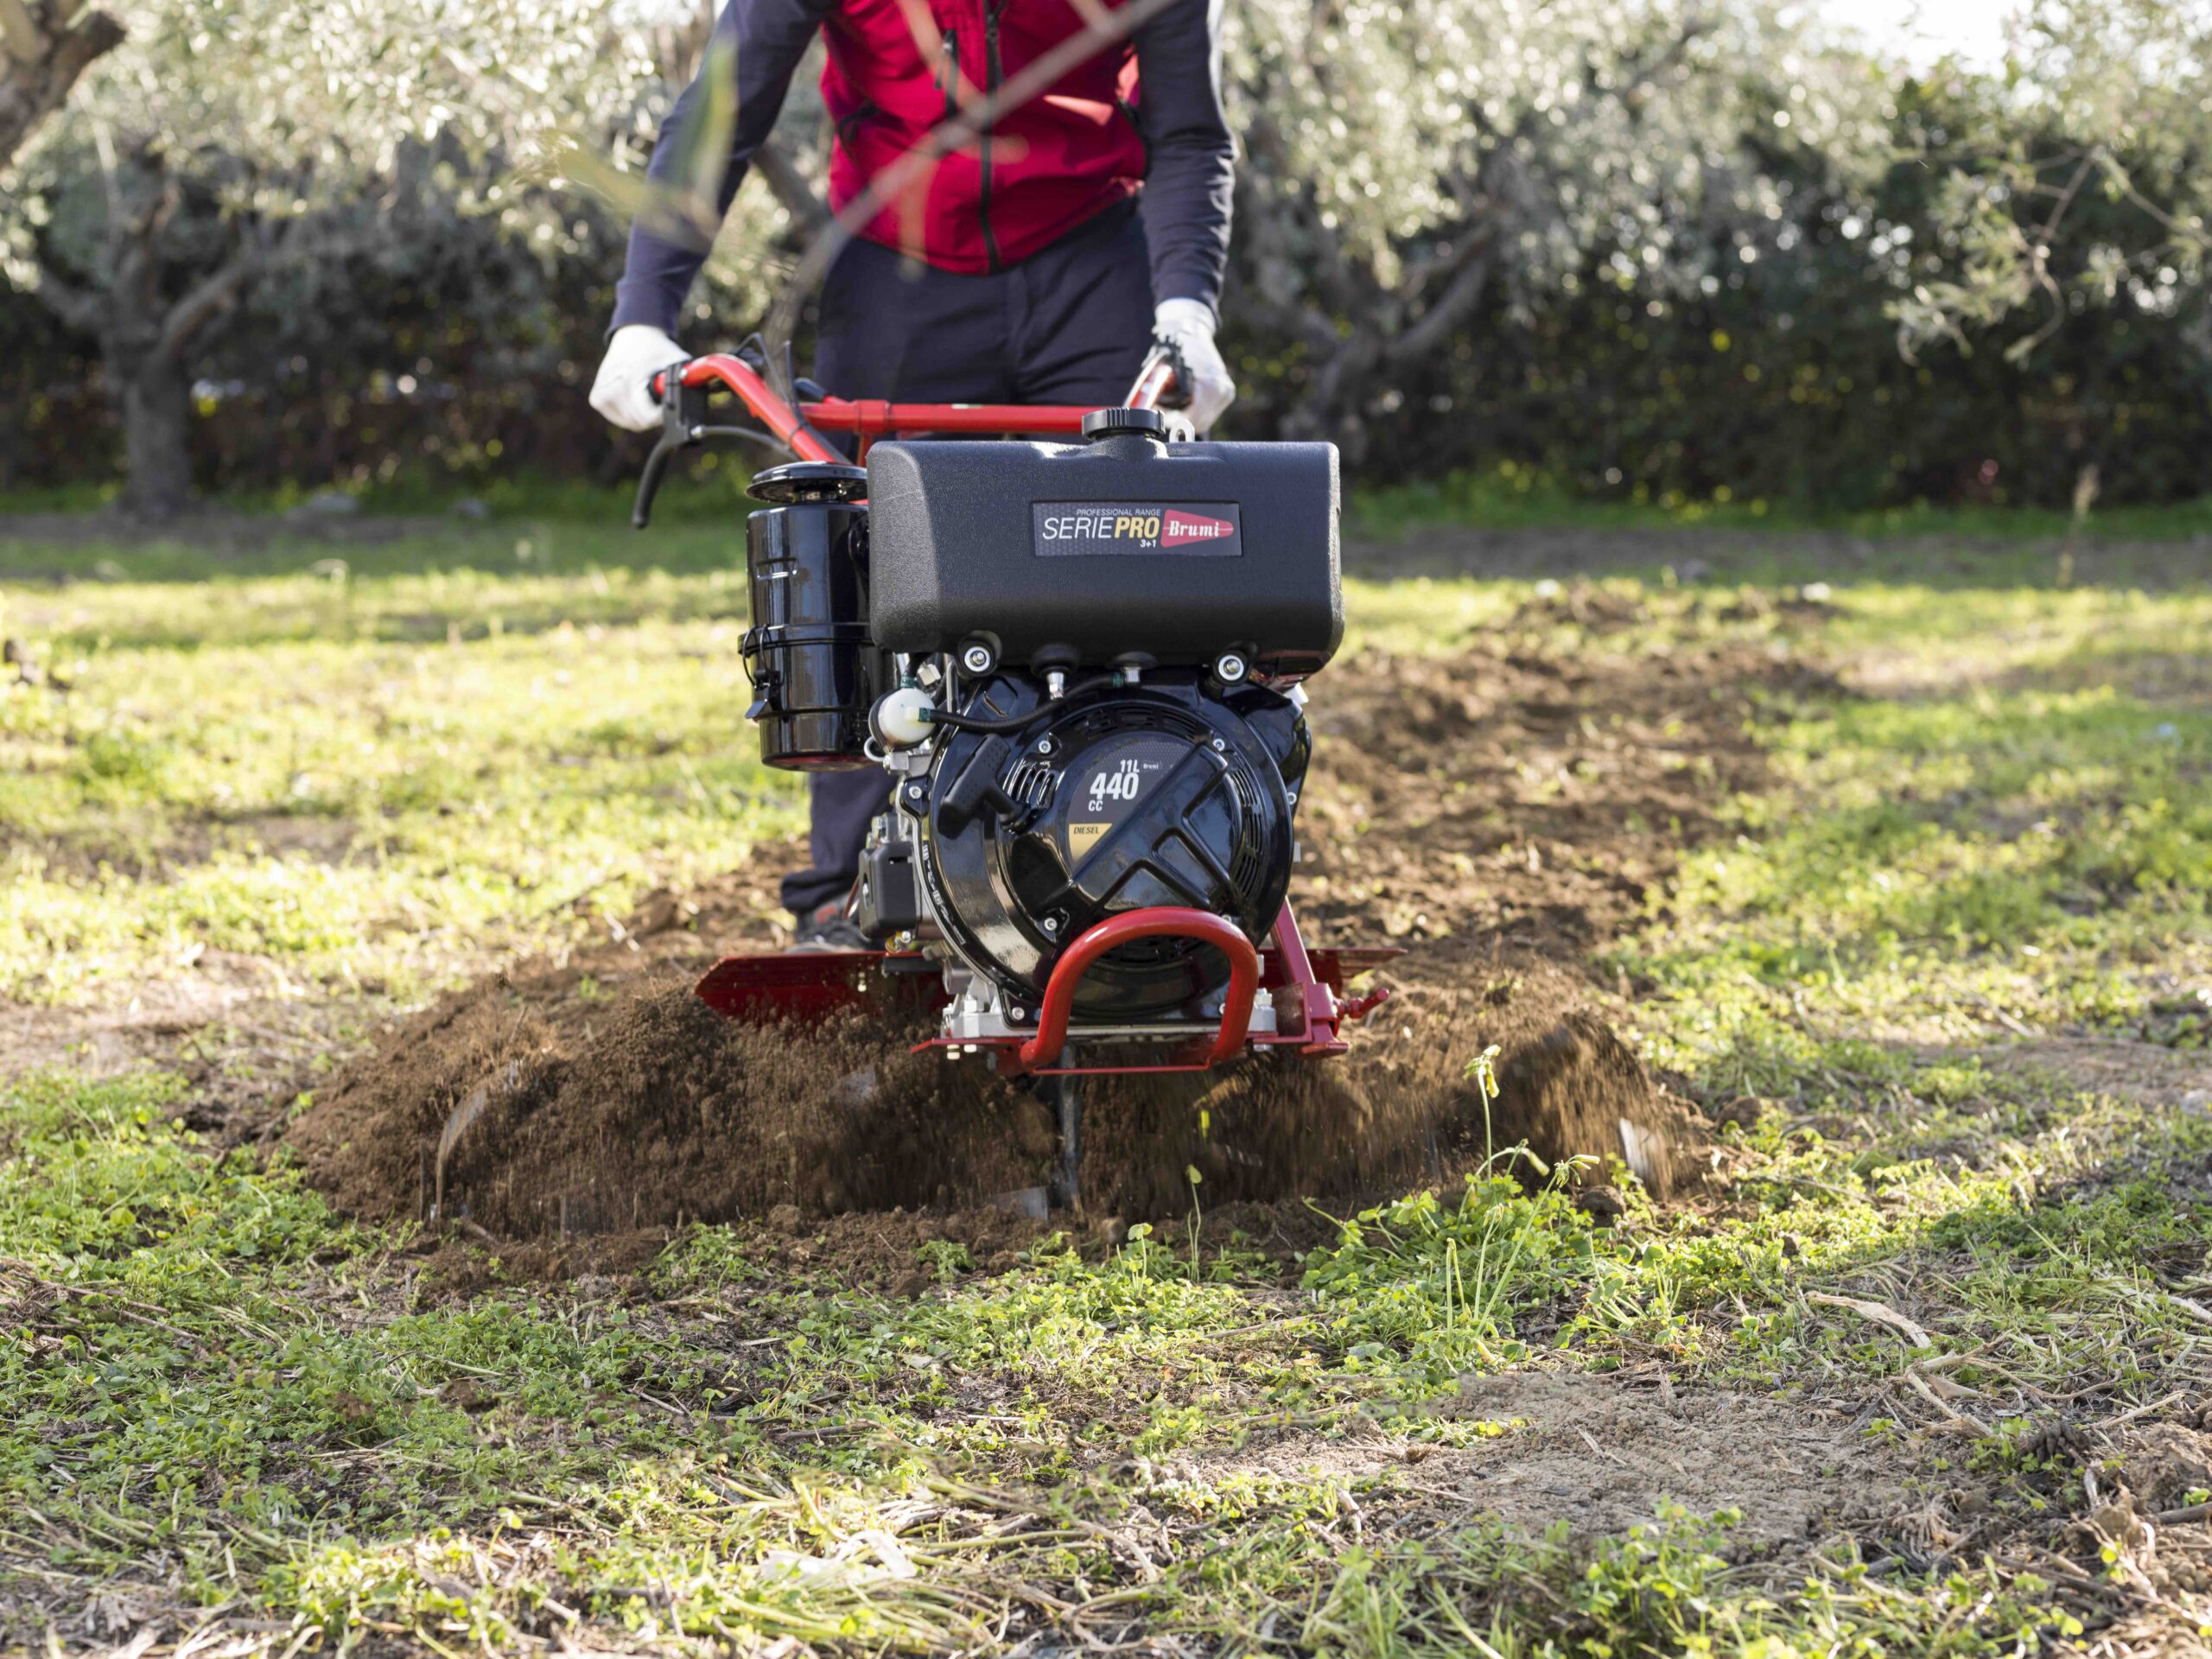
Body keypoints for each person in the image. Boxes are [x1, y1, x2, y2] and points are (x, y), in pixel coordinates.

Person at [591, 0, 1236, 947]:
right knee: (871, 564)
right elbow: (724, 107)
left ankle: (1158, 865)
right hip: (895, 265)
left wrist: (1186, 308)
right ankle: (851, 892)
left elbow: (1186, 131)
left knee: (1135, 553)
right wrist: (644, 311)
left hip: (1092, 259)